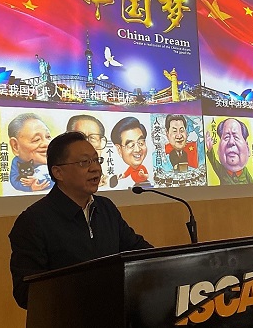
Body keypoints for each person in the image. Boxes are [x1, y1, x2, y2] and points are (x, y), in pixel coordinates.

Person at [9, 131, 152, 309]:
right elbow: (25, 293)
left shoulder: (105, 208)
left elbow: (139, 251)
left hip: (113, 314)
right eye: (84, 162)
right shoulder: (33, 221)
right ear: (58, 172)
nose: (95, 168)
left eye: (96, 160)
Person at [8, 113, 53, 192]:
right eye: (37, 139)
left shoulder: (54, 161)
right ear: (15, 146)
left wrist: (39, 181)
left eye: (48, 137)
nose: (47, 144)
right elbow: (14, 181)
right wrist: (30, 187)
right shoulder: (17, 162)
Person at [205, 118, 253, 185]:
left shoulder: (245, 171)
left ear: (247, 148)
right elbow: (213, 162)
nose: (231, 142)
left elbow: (251, 184)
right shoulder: (221, 171)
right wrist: (210, 149)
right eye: (226, 137)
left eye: (236, 137)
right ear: (218, 150)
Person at [66, 114, 108, 186]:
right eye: (80, 138)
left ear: (101, 142)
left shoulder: (106, 181)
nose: (87, 143)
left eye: (92, 138)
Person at [111, 116, 150, 186]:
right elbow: (125, 174)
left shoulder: (142, 168)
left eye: (141, 143)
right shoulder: (130, 168)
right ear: (119, 149)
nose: (137, 150)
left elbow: (147, 176)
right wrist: (119, 177)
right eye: (131, 145)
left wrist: (143, 175)